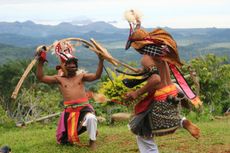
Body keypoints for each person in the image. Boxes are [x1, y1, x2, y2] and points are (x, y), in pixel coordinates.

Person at [123, 10, 201, 153]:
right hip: (171, 90)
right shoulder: (157, 53)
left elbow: (156, 79)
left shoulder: (146, 58)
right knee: (166, 117)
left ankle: (180, 123)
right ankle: (183, 122)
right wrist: (138, 25)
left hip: (161, 95)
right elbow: (157, 74)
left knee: (142, 132)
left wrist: (136, 93)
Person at [36, 42, 104, 150]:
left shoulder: (81, 77)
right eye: (69, 64)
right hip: (69, 112)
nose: (72, 66)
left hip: (84, 109)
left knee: (91, 118)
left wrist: (101, 60)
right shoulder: (59, 79)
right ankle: (82, 131)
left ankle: (92, 142)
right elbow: (41, 77)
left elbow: (97, 76)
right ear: (63, 66)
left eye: (74, 64)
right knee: (65, 141)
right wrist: (40, 61)